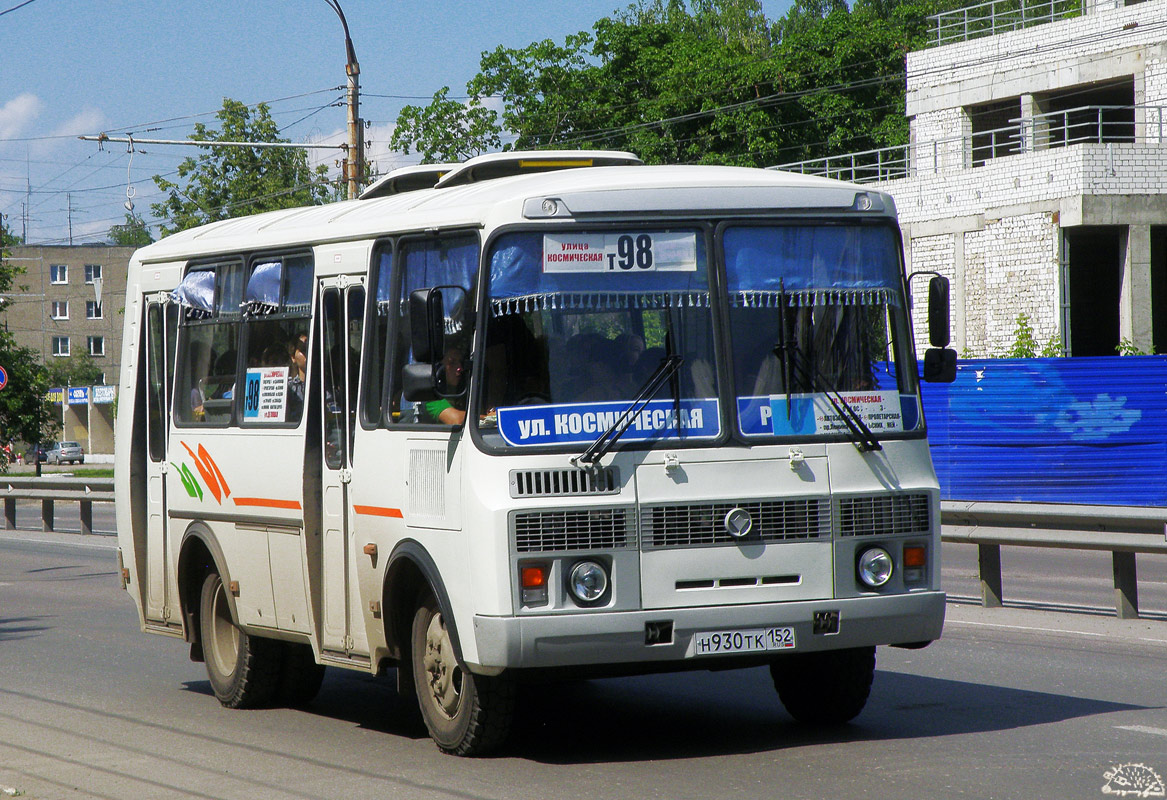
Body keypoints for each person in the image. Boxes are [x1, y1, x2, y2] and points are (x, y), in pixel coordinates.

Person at [422, 346, 467, 425]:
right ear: (438, 367)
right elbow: (456, 420)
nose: (460, 369)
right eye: (452, 363)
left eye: (461, 363)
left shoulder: (462, 392)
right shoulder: (431, 396)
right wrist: (489, 417)